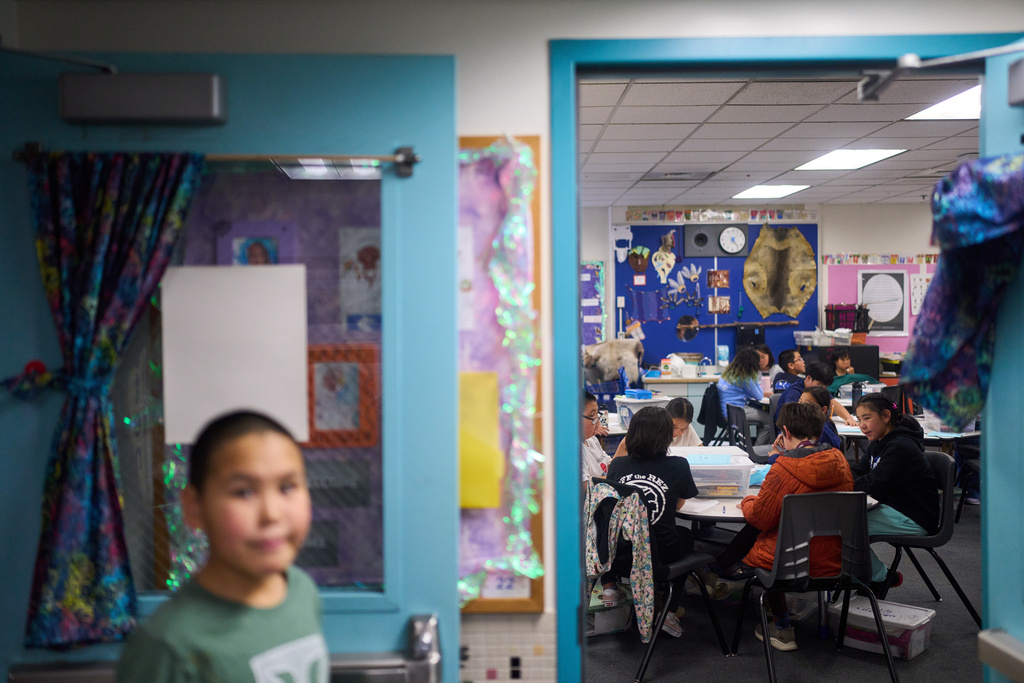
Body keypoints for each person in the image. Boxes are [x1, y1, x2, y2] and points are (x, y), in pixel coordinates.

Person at [117, 411, 328, 683]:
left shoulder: (302, 593)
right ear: (194, 507)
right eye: (244, 492)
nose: (271, 514)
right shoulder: (167, 647)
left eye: (287, 487)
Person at [708, 402, 853, 651]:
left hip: (788, 561)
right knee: (779, 532)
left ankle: (783, 627)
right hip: (838, 557)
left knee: (768, 535)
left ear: (784, 432)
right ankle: (718, 571)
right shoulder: (839, 461)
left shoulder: (783, 469)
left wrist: (748, 500)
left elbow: (760, 519)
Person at [604, 406, 699, 638]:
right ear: (668, 436)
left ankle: (620, 591)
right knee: (686, 536)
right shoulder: (678, 465)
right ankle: (668, 610)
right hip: (658, 558)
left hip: (619, 557)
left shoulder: (617, 465)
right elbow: (676, 506)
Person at [852, 393, 940, 591]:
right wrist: (843, 479)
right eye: (859, 420)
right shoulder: (879, 441)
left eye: (867, 418)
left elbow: (873, 485)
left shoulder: (901, 446)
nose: (862, 425)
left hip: (914, 518)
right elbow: (859, 471)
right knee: (841, 521)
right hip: (894, 508)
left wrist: (841, 483)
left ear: (885, 416)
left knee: (846, 525)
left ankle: (880, 577)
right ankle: (865, 576)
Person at [764, 385, 843, 463]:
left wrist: (774, 457)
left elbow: (797, 461)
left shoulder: (822, 431)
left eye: (807, 404)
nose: (801, 407)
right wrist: (784, 435)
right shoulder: (816, 424)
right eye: (800, 402)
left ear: (823, 409)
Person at [774, 360, 857, 427]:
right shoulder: (794, 392)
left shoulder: (817, 390)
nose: (822, 389)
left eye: (824, 387)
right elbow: (793, 419)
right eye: (819, 385)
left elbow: (833, 403)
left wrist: (849, 418)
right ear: (809, 378)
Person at [717, 347, 771, 446]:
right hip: (736, 413)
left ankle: (753, 446)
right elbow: (759, 396)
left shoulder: (729, 373)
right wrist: (753, 375)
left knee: (762, 415)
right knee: (768, 420)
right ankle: (757, 451)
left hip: (726, 411)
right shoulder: (744, 377)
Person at [613, 396, 701, 458]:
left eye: (683, 429)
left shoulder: (687, 428)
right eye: (673, 427)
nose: (677, 433)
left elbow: (702, 452)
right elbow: (624, 445)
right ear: (665, 417)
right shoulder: (652, 426)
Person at [582, 390, 611, 480]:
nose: (597, 421)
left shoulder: (592, 439)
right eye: (592, 416)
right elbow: (584, 485)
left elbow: (608, 464)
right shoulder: (574, 450)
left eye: (597, 414)